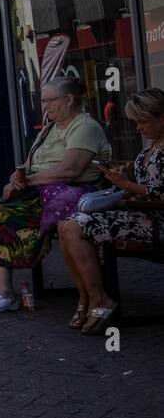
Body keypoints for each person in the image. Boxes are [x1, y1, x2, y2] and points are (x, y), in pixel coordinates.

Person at [0, 76, 110, 313]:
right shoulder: (48, 129)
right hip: (39, 193)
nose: (45, 106)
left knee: (2, 215)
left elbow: (71, 170)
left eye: (50, 101)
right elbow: (28, 165)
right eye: (43, 101)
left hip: (69, 195)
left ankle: (4, 289)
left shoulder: (85, 127)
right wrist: (15, 180)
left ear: (69, 100)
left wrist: (27, 182)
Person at [58, 88, 164, 335]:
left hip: (155, 220)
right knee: (66, 226)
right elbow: (148, 179)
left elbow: (157, 192)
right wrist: (124, 171)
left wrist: (125, 185)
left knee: (73, 227)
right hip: (141, 214)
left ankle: (97, 300)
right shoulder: (152, 145)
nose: (138, 128)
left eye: (144, 122)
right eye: (136, 122)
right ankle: (87, 297)